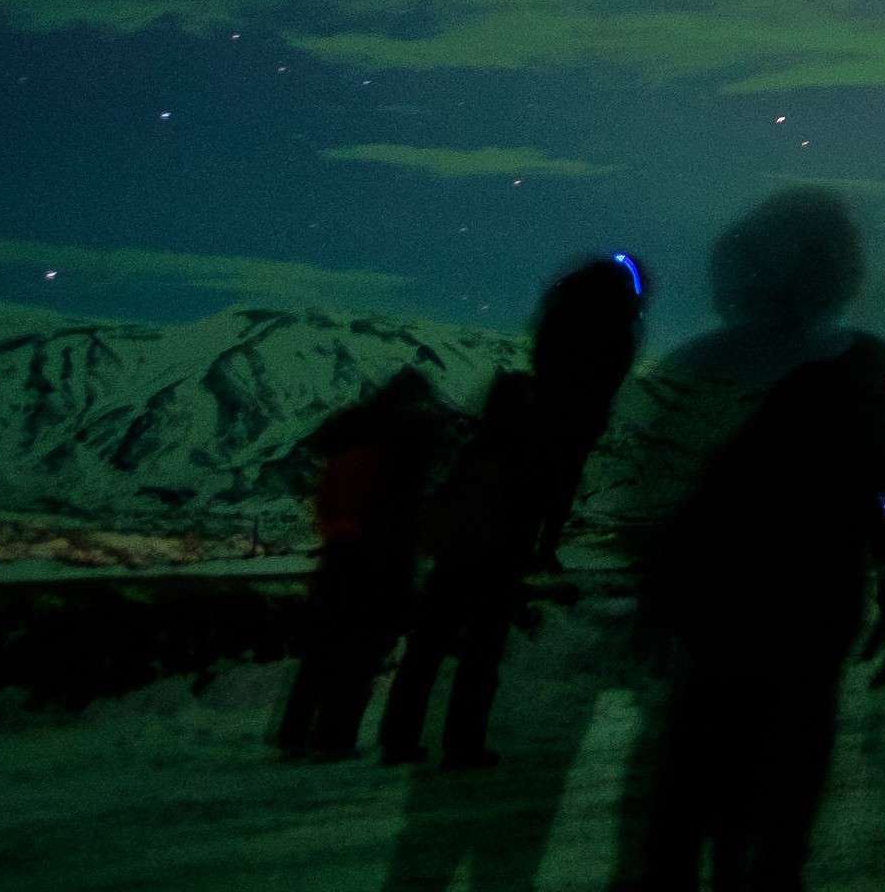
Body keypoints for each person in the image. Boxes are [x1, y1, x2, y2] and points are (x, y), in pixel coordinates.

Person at [616, 187, 885, 891]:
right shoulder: (861, 366)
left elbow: (658, 498)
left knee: (687, 798)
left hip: (721, 613)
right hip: (806, 611)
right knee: (773, 803)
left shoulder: (700, 364)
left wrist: (657, 597)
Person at [276, 366, 456, 757]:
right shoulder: (403, 445)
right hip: (379, 560)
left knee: (323, 648)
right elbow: (403, 513)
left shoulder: (350, 436)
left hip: (339, 554)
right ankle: (334, 739)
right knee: (360, 653)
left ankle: (293, 735)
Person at [378, 367, 543, 768]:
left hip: (452, 564)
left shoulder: (472, 446)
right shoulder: (519, 454)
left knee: (425, 653)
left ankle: (398, 739)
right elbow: (517, 520)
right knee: (479, 661)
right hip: (491, 571)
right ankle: (462, 744)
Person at [524, 252, 651, 565]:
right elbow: (618, 366)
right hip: (586, 411)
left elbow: (543, 349)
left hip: (550, 399)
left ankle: (520, 541)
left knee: (537, 472)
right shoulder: (621, 315)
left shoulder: (570, 303)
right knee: (565, 477)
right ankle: (545, 547)